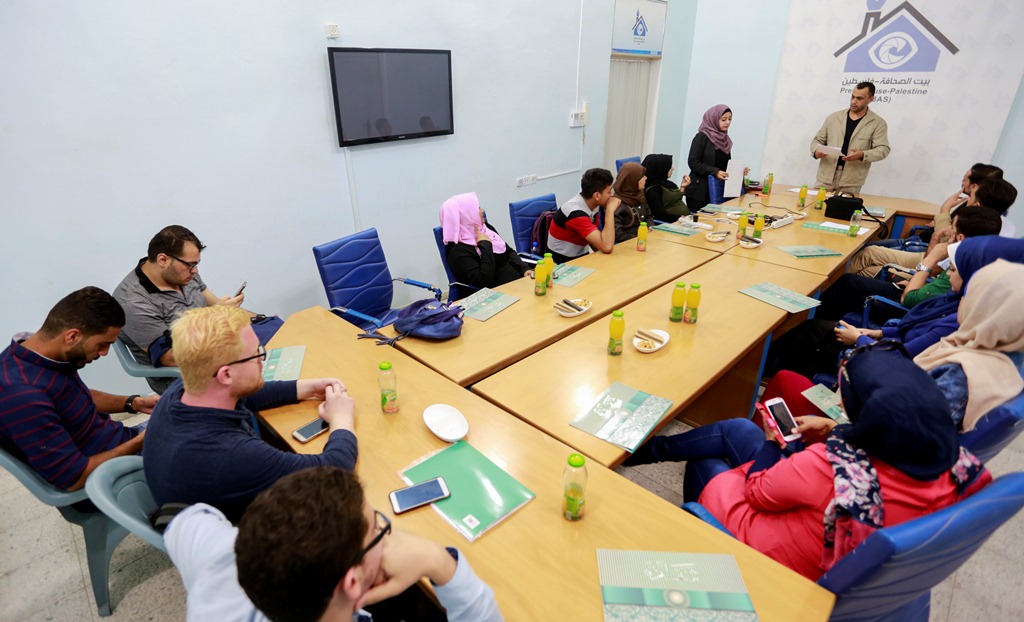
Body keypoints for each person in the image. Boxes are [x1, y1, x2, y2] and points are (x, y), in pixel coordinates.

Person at [624, 346, 991, 581]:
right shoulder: (953, 467)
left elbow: (757, 491)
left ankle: (693, 557)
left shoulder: (829, 465)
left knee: (706, 465)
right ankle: (644, 449)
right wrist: (833, 428)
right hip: (827, 546)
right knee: (739, 429)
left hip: (767, 565)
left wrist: (773, 444)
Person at [165, 467, 503, 622]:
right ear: (352, 582)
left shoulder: (221, 559)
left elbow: (186, 520)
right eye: (378, 530)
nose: (389, 535)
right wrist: (437, 561)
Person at [143, 305, 358, 523]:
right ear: (226, 374)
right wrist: (341, 418)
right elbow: (334, 471)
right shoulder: (231, 453)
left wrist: (305, 388)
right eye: (256, 354)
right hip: (248, 530)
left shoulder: (183, 389)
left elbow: (242, 394)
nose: (261, 359)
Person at [0, 287, 157, 491]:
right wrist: (145, 440)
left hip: (125, 442)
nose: (104, 353)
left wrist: (133, 403)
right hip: (114, 476)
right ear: (72, 336)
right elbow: (73, 478)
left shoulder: (38, 357)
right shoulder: (22, 394)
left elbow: (70, 397)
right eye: (103, 344)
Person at [113, 225, 255, 394]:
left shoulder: (184, 274)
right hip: (183, 376)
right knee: (259, 375)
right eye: (191, 265)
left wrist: (259, 318)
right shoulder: (132, 302)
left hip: (217, 350)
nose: (195, 270)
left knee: (273, 331)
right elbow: (172, 358)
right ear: (163, 260)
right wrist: (218, 317)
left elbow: (215, 305)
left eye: (196, 264)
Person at [813, 204, 1001, 321]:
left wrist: (932, 258)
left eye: (952, 230)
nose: (949, 233)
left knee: (845, 289)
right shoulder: (982, 257)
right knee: (849, 281)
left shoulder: (961, 267)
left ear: (960, 237)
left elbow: (908, 299)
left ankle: (818, 325)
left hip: (904, 310)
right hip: (916, 290)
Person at [849, 176, 1017, 277]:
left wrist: (945, 210)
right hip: (930, 261)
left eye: (971, 196)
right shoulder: (1002, 227)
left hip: (929, 271)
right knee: (869, 253)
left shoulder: (976, 226)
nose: (968, 198)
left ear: (978, 204)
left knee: (862, 268)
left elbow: (935, 261)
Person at [810, 82, 890, 194]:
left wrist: (862, 154)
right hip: (825, 177)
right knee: (815, 205)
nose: (854, 101)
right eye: (853, 96)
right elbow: (817, 140)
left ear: (871, 99)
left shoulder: (878, 123)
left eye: (859, 98)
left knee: (845, 206)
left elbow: (883, 150)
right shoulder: (834, 117)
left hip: (851, 181)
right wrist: (816, 151)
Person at [440, 192, 530, 288]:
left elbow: (508, 251)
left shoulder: (485, 229)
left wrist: (524, 269)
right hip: (499, 291)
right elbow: (484, 282)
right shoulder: (457, 251)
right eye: (477, 208)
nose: (482, 211)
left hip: (517, 280)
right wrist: (486, 245)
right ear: (466, 215)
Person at [546, 168, 620, 264]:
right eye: (609, 192)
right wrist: (610, 211)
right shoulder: (575, 213)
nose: (612, 195)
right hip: (563, 264)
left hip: (581, 258)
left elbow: (598, 245)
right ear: (597, 196)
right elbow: (607, 247)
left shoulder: (592, 204)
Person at [684, 104, 733, 211]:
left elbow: (724, 164)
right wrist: (715, 172)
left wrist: (738, 171)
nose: (727, 122)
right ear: (713, 119)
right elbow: (693, 162)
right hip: (699, 193)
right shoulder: (701, 137)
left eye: (730, 119)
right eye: (723, 119)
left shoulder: (725, 140)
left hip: (717, 190)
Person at [611, 161, 653, 242]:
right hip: (629, 243)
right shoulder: (616, 203)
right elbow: (618, 235)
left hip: (645, 238)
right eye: (642, 176)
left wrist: (650, 228)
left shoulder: (639, 195)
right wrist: (639, 237)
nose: (646, 178)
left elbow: (649, 215)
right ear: (632, 180)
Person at [642, 154, 691, 222]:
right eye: (669, 167)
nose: (672, 168)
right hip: (672, 223)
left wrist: (682, 188)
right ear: (661, 169)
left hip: (684, 221)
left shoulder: (664, 183)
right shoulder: (653, 190)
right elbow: (660, 215)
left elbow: (673, 202)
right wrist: (681, 218)